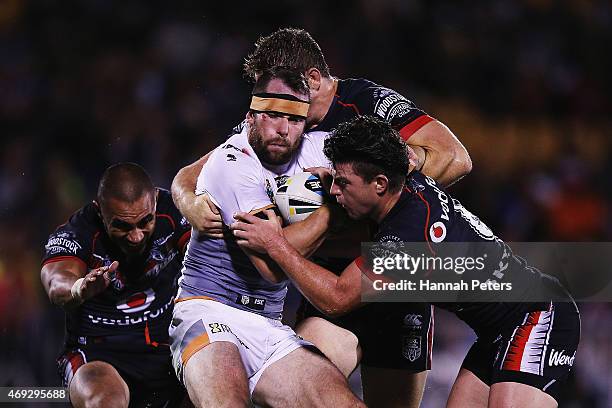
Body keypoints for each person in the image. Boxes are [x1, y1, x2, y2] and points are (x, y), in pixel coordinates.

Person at [172, 27, 472, 407]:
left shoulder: (367, 104)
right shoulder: (280, 121)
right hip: (326, 277)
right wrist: (188, 201)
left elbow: (455, 158)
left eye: (292, 92)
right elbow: (198, 171)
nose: (284, 114)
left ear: (313, 81)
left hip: (390, 283)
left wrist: (381, 197)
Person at [230, 115, 581, 408]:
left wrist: (276, 244)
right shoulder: (404, 174)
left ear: (380, 184)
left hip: (538, 314)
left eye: (343, 182)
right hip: (498, 329)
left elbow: (337, 298)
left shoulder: (408, 237)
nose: (334, 192)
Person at [169, 67, 364, 407]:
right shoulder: (232, 161)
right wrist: (331, 212)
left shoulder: (319, 148)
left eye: (295, 120)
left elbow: (390, 170)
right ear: (250, 118)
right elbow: (273, 269)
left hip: (268, 324)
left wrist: (408, 158)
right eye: (273, 116)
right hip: (210, 311)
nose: (283, 130)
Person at [41, 163, 191, 408]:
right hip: (99, 358)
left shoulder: (175, 210)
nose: (136, 237)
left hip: (169, 353)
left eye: (145, 222)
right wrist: (79, 288)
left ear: (154, 200)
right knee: (105, 401)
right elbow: (56, 282)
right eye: (122, 225)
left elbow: (211, 254)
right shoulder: (78, 231)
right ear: (100, 212)